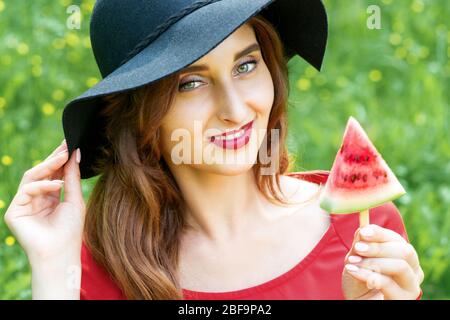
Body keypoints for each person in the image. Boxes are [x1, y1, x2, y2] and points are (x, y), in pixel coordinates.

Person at [4, 0, 424, 300]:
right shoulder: (96, 271)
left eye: (246, 65)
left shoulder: (364, 231)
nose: (236, 109)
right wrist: (53, 273)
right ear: (138, 114)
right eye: (191, 82)